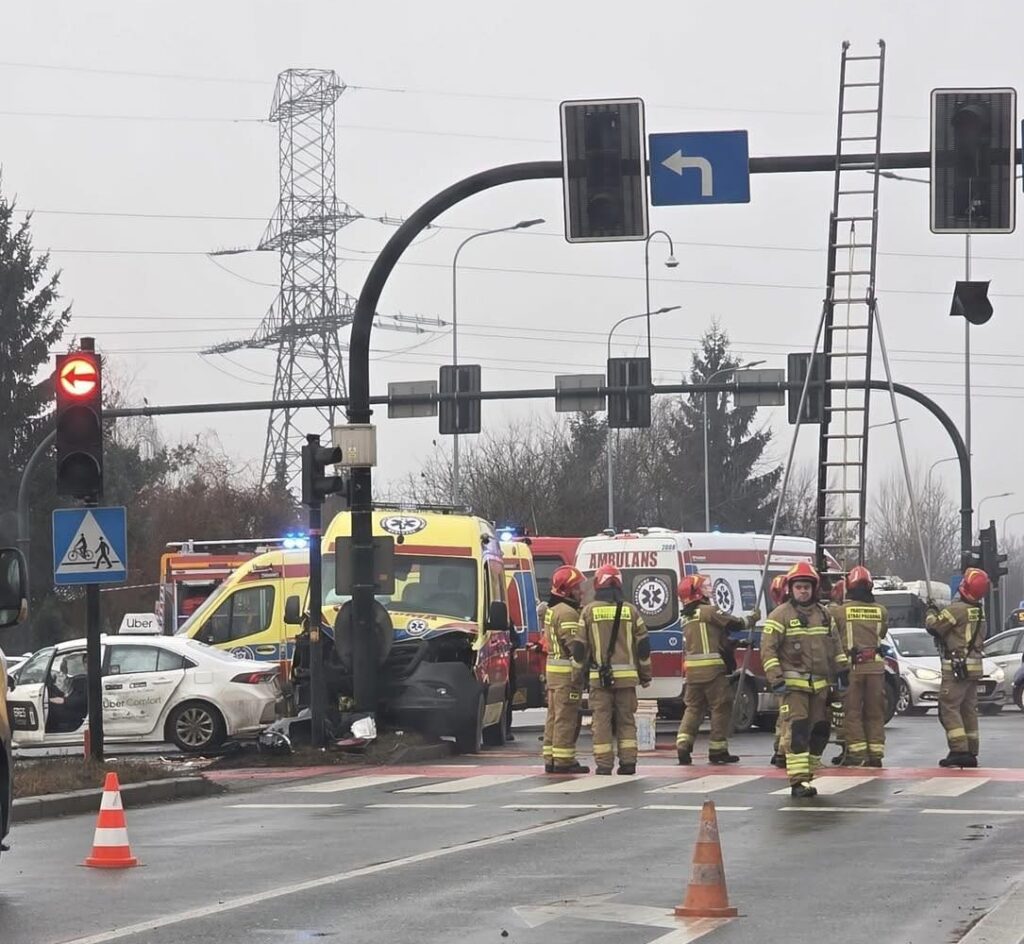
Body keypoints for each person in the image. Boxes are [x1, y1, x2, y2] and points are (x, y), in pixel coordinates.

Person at [762, 562, 850, 798]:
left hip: (820, 686)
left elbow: (836, 647)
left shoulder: (824, 615)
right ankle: (798, 781)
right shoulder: (779, 616)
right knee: (798, 729)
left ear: (814, 588)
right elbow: (768, 651)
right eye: (799, 587)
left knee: (820, 730)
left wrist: (843, 671)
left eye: (807, 587)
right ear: (791, 588)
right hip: (793, 687)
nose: (803, 591)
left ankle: (809, 773)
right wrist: (776, 678)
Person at [675, 574, 759, 765]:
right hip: (712, 671)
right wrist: (752, 618)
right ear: (696, 592)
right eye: (704, 588)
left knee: (693, 709)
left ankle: (683, 746)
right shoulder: (709, 611)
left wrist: (739, 643)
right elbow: (735, 623)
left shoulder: (686, 618)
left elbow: (717, 639)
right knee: (722, 706)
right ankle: (717, 750)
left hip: (693, 674)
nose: (708, 590)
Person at [579, 564, 651, 775]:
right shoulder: (631, 611)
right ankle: (628, 763)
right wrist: (645, 675)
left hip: (599, 680)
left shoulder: (588, 612)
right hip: (627, 680)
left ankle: (604, 764)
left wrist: (577, 675)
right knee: (626, 720)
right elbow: (643, 648)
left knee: (601, 722)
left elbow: (579, 649)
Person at [925, 567, 990, 769]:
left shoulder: (956, 610)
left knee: (949, 707)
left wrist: (930, 612)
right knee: (968, 709)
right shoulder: (979, 611)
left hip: (956, 668)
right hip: (974, 668)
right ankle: (971, 749)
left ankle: (959, 750)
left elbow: (934, 627)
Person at [833, 566, 888, 767]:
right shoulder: (881, 611)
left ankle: (857, 753)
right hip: (876, 668)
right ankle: (876, 756)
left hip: (852, 668)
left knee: (852, 712)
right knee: (875, 712)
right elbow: (881, 634)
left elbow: (834, 636)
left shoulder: (840, 612)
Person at [541, 565, 588, 774]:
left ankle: (551, 757)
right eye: (577, 588)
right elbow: (574, 647)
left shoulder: (553, 610)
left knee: (553, 717)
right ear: (567, 590)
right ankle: (563, 760)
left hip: (553, 674)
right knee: (566, 718)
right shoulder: (568, 613)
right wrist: (584, 667)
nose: (581, 592)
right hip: (566, 676)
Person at [766, 574, 791, 769]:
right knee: (788, 716)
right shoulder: (784, 615)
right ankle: (782, 752)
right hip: (789, 674)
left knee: (783, 713)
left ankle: (778, 748)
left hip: (780, 674)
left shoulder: (777, 613)